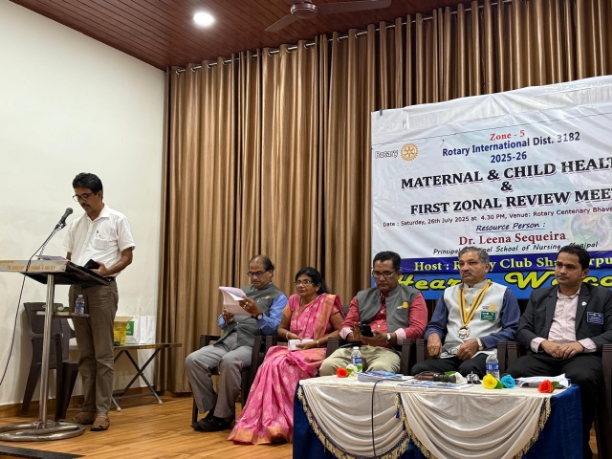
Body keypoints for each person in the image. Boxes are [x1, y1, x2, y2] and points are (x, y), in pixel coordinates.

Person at [507, 244, 612, 459]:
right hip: (546, 354)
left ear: (584, 272)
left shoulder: (602, 296)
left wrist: (581, 345)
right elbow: (523, 330)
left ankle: (578, 444)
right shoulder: (540, 295)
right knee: (515, 373)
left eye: (570, 267)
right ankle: (525, 443)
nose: (562, 271)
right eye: (559, 265)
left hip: (582, 355)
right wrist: (544, 343)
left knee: (581, 378)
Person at [228, 267, 344, 444]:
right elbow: (281, 328)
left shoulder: (327, 302)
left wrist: (316, 342)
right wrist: (291, 336)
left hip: (318, 349)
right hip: (296, 347)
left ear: (317, 286)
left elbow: (341, 330)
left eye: (306, 282)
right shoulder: (293, 301)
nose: (301, 286)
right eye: (299, 282)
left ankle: (289, 422)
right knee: (270, 362)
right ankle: (272, 423)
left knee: (282, 364)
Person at [64, 172, 135, 431]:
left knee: (103, 354)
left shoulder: (117, 219)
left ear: (99, 193)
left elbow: (127, 256)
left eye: (86, 196)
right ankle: (88, 409)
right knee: (86, 354)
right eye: (78, 197)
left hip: (102, 289)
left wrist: (107, 271)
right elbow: (69, 257)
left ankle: (103, 412)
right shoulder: (75, 224)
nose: (83, 201)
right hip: (77, 290)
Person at [186, 255, 288, 432]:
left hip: (253, 345)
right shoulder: (242, 292)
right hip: (228, 340)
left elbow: (275, 329)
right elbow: (222, 322)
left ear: (270, 272)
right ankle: (215, 408)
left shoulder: (279, 297)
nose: (254, 277)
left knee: (230, 361)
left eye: (259, 273)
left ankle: (222, 416)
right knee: (193, 360)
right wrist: (226, 318)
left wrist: (258, 314)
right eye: (251, 273)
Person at [411, 246, 520, 378]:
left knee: (469, 369)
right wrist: (433, 335)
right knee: (419, 370)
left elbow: (512, 330)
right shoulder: (448, 293)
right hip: (451, 354)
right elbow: (435, 326)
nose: (465, 268)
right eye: (461, 264)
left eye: (472, 263)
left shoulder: (503, 293)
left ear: (486, 267)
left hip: (484, 353)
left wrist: (480, 343)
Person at [319, 251, 427, 376]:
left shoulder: (413, 296)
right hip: (356, 350)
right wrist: (353, 336)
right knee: (327, 366)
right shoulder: (362, 296)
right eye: (377, 273)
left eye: (387, 273)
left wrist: (387, 337)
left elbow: (418, 329)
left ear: (398, 274)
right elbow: (345, 326)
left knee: (379, 370)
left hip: (388, 351)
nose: (381, 278)